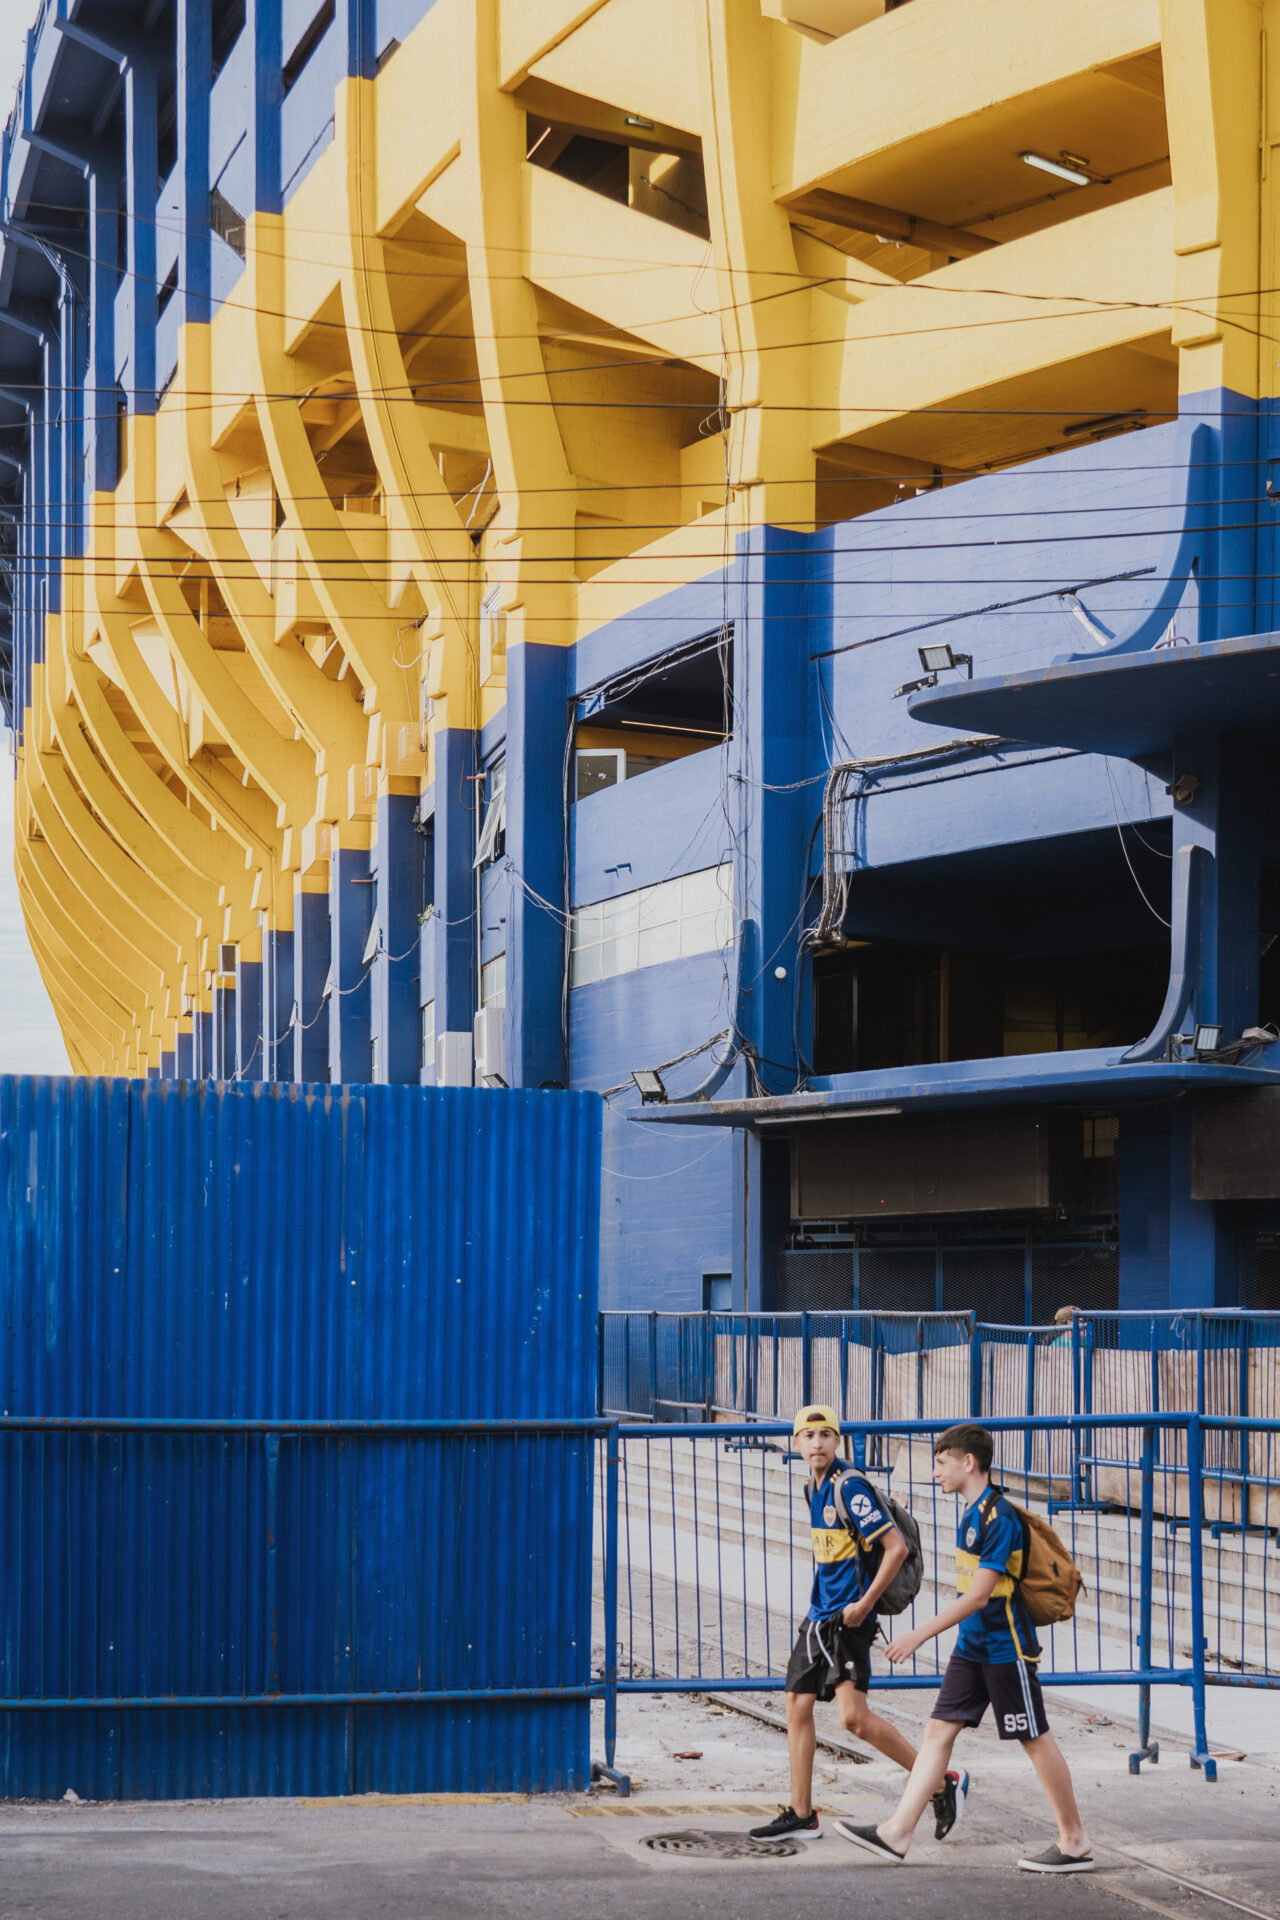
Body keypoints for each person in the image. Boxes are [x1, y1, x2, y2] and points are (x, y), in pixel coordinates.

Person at [833, 1421, 1093, 1874]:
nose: (935, 1472)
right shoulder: (972, 1513)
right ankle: (897, 1833)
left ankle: (1074, 1841)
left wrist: (919, 1634)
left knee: (1033, 1737)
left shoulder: (999, 1518)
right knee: (937, 1732)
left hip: (1004, 1648)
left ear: (967, 1462)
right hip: (973, 1646)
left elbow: (979, 1594)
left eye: (941, 1462)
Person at [748, 1403, 967, 1846]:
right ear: (796, 1444)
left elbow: (896, 1549)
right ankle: (802, 1813)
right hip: (820, 1616)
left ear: (837, 1440)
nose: (817, 1444)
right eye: (808, 1437)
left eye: (825, 1435)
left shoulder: (851, 1488)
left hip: (850, 1618)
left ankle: (941, 1784)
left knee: (854, 1719)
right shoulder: (813, 1489)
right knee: (796, 1704)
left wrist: (864, 1605)